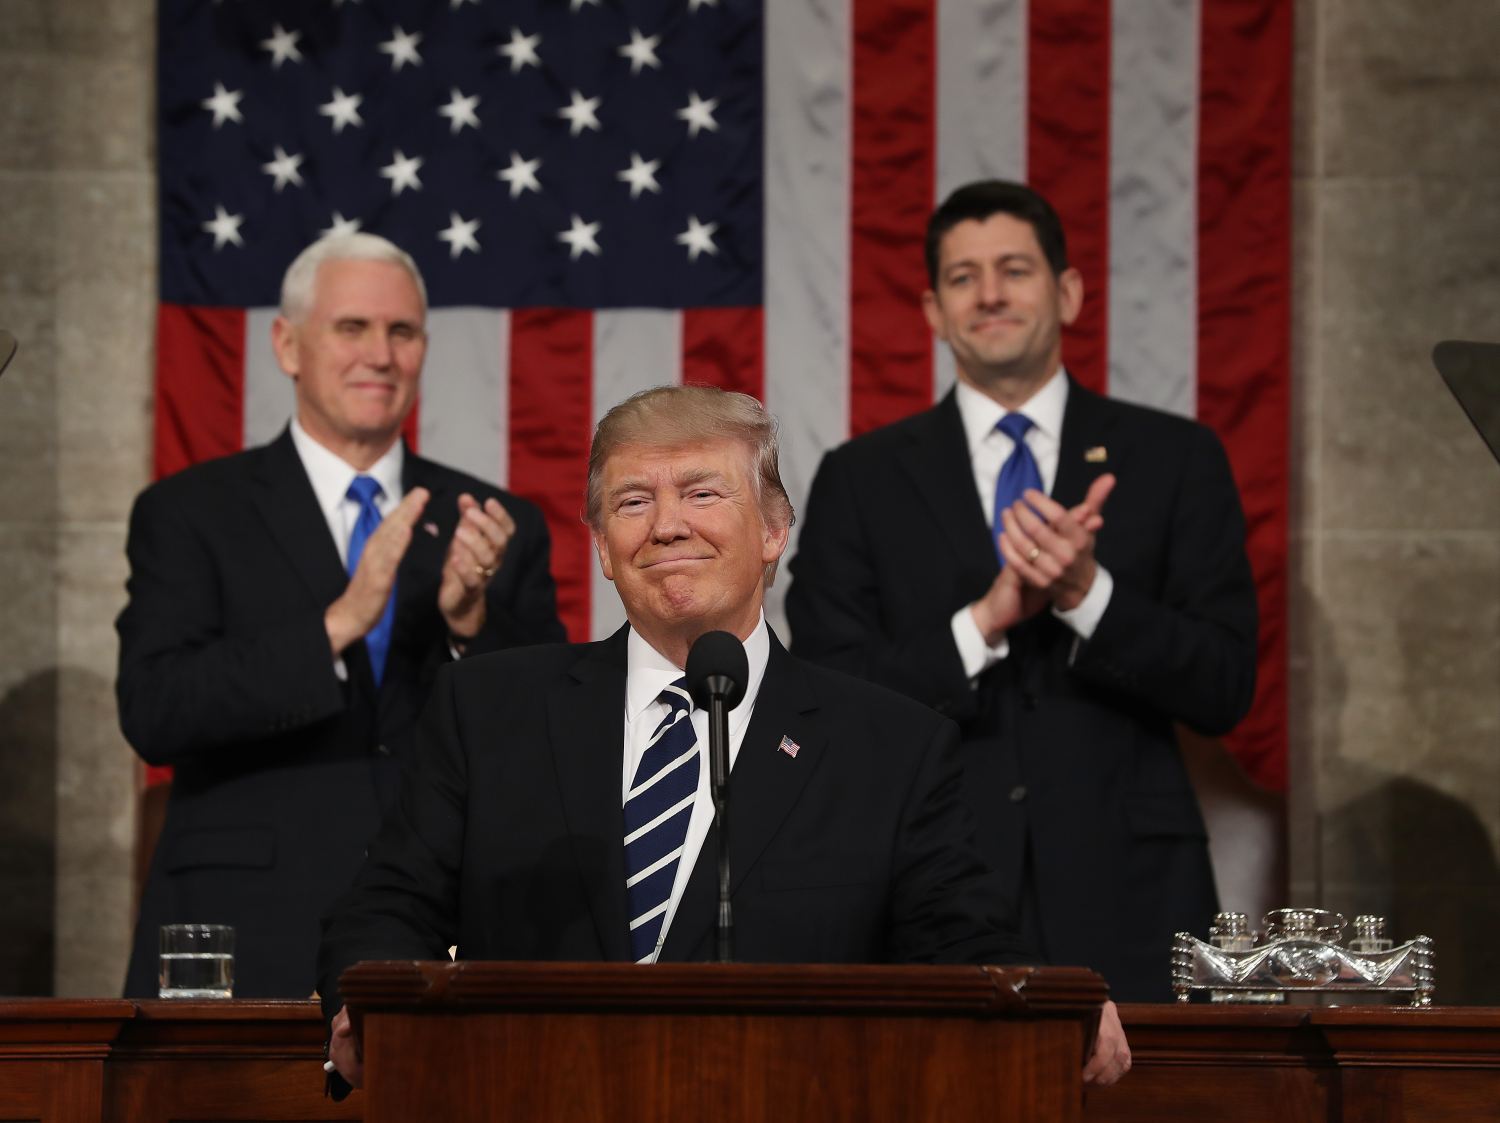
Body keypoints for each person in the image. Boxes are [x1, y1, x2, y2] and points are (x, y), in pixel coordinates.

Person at [318, 385, 1130, 1089]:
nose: (667, 525)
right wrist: (367, 1003)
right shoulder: (489, 709)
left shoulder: (891, 745)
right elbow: (388, 905)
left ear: (774, 530)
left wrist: (1052, 1002)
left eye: (702, 493)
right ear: (602, 548)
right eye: (633, 502)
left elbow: (964, 940)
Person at [785, 181, 1259, 1003]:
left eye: (1014, 270)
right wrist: (983, 623)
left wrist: (1087, 593)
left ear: (1067, 292)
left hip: (1132, 897)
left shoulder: (1174, 457)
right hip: (931, 888)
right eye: (963, 277)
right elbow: (828, 694)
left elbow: (1224, 684)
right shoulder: (860, 479)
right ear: (934, 311)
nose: (991, 294)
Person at [117, 233, 566, 998]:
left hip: (436, 929)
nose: (380, 355)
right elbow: (156, 709)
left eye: (402, 331)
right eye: (352, 327)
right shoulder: (191, 511)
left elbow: (548, 735)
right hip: (247, 925)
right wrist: (336, 625)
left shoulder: (494, 523)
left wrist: (470, 623)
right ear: (287, 344)